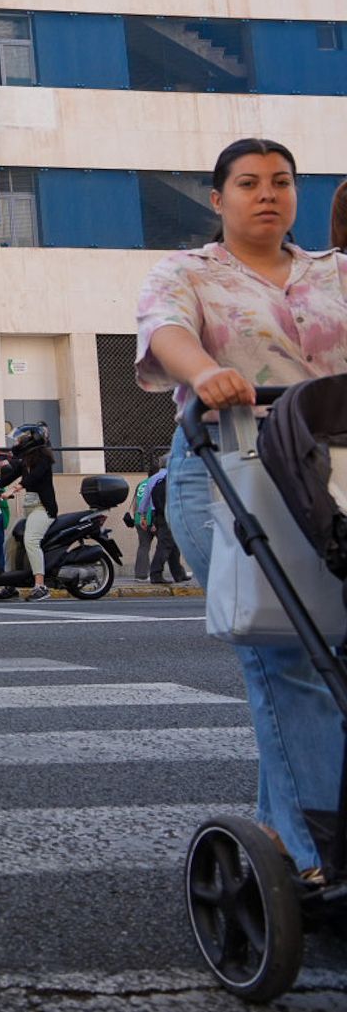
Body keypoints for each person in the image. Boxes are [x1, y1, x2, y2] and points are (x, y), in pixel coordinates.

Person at [136, 135, 347, 881]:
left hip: (332, 469)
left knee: (331, 653)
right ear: (218, 197)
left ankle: (288, 832)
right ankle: (325, 851)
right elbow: (167, 333)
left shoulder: (336, 273)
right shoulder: (189, 271)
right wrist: (209, 371)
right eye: (249, 182)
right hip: (228, 466)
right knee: (286, 649)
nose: (267, 194)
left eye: (281, 182)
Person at [0, 423, 57, 601]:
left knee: (31, 540)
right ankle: (11, 586)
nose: (18, 441)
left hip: (44, 509)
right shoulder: (25, 461)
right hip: (30, 509)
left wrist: (16, 488)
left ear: (30, 439)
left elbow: (33, 477)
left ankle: (41, 586)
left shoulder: (44, 459)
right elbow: (8, 477)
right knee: (10, 543)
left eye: (21, 438)